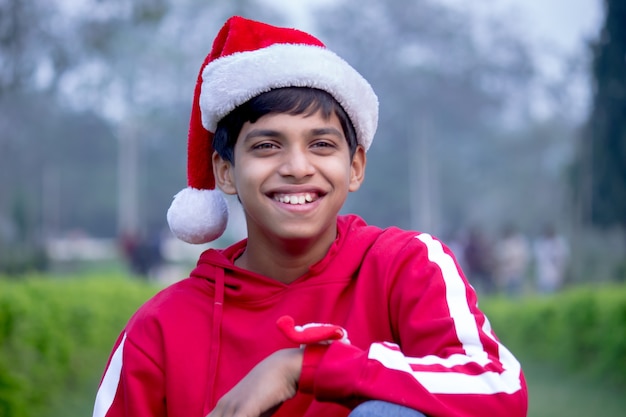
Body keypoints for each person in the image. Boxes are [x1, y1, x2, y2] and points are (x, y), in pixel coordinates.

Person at [92, 16, 527, 417]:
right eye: (266, 146)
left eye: (321, 145)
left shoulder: (406, 265)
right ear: (225, 171)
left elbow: (499, 390)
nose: (298, 167)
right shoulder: (160, 328)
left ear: (355, 166)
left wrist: (303, 366)